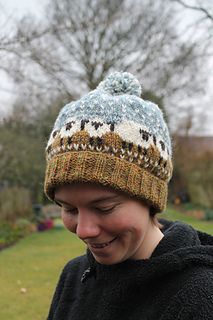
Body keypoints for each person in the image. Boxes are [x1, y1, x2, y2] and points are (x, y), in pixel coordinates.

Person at [44, 72, 213, 320]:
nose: (83, 230)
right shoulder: (74, 276)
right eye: (69, 209)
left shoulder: (198, 296)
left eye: (103, 208)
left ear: (150, 199)